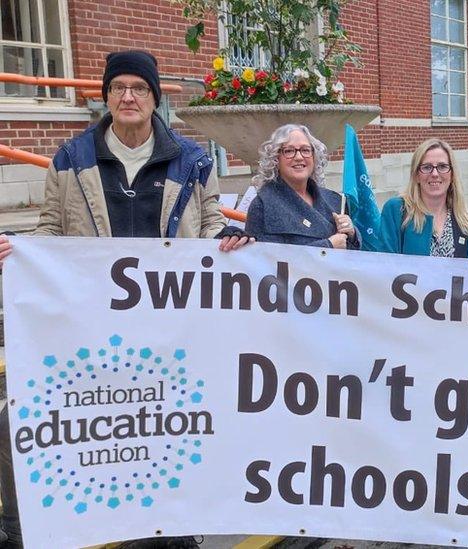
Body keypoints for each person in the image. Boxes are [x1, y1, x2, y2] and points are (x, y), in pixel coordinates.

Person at [0, 50, 252, 549]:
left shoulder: (192, 161)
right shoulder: (72, 160)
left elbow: (210, 227)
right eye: (118, 88)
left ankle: (170, 529)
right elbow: (49, 232)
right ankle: (20, 531)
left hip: (168, 331)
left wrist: (228, 243)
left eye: (139, 87)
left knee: (169, 427)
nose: (129, 96)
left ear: (155, 96)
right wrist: (18, 254)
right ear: (106, 97)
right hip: (89, 330)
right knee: (19, 419)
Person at [245, 124, 358, 250]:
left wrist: (351, 233)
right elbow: (266, 261)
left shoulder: (335, 200)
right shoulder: (263, 205)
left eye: (305, 150)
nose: (299, 157)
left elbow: (352, 260)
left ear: (314, 157)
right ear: (276, 159)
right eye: (289, 151)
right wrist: (328, 246)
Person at [378, 138, 468, 258]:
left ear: (452, 174)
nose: (434, 174)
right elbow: (385, 266)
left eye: (442, 166)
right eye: (427, 167)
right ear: (416, 175)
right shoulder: (397, 211)